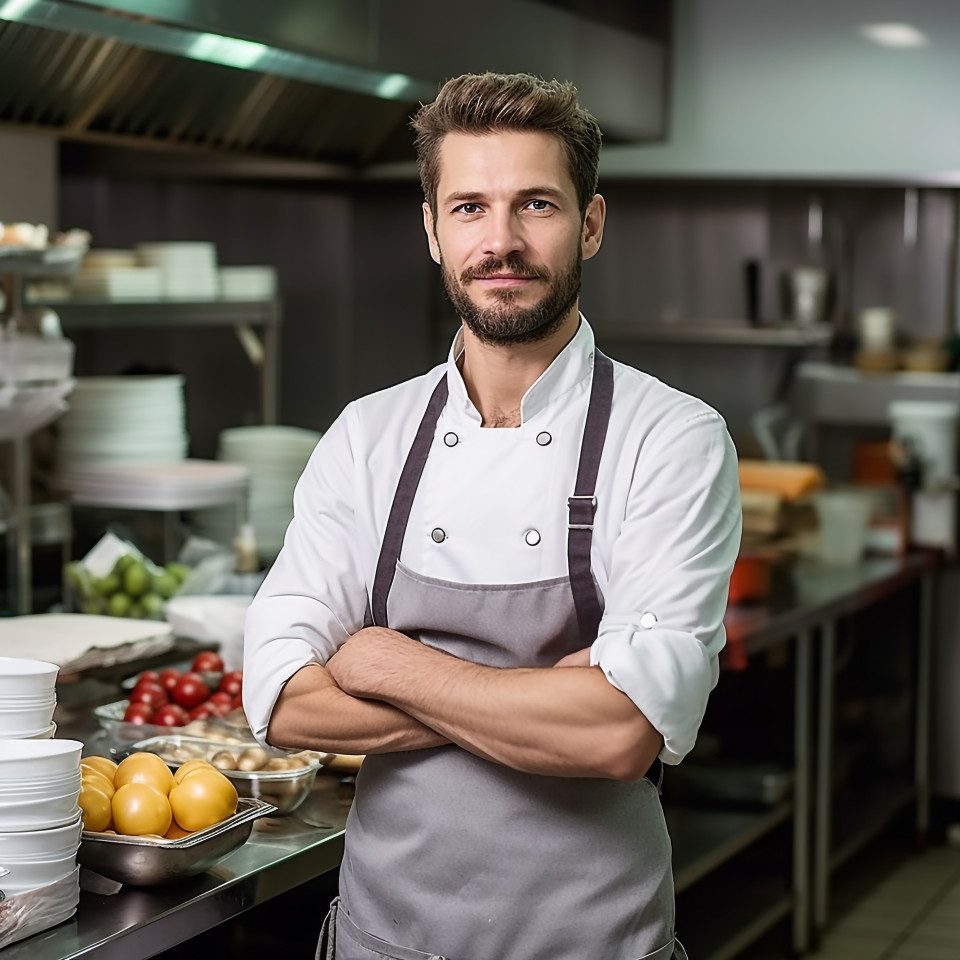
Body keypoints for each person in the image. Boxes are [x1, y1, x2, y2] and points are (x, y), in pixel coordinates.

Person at [244, 71, 742, 960]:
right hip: (378, 942)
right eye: (470, 207)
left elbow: (622, 735)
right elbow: (280, 699)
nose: (501, 242)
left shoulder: (672, 438)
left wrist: (383, 659)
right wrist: (547, 695)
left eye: (536, 205)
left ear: (590, 222)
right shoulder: (369, 436)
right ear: (433, 231)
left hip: (595, 943)